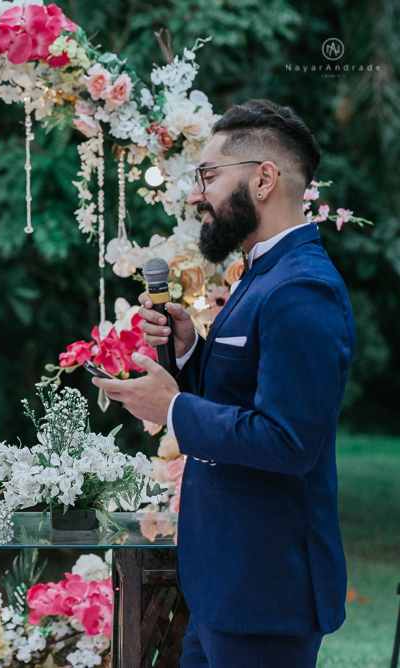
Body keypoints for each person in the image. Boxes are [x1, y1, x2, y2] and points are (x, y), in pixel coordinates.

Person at [92, 99, 355, 668]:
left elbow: (289, 440)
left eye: (209, 176)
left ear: (264, 179)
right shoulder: (261, 274)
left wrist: (176, 408)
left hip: (266, 587)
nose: (196, 194)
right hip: (224, 586)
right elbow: (245, 393)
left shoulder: (301, 288)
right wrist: (189, 351)